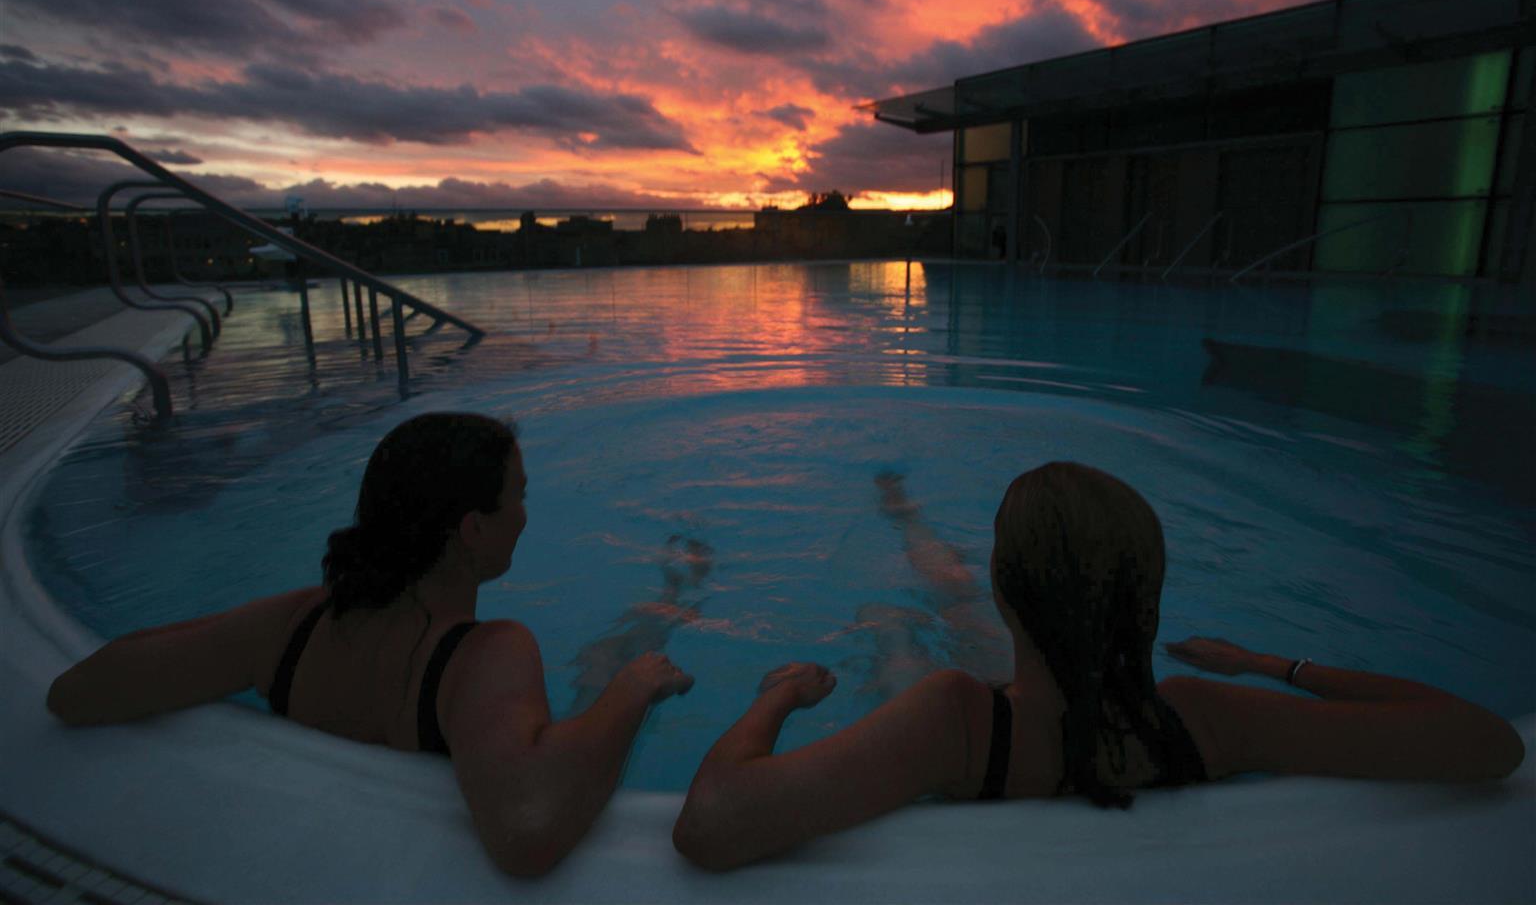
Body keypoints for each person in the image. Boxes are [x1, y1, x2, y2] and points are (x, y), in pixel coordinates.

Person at [672, 461, 1525, 871]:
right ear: (1147, 596)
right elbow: (1492, 744)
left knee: (905, 626)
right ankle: (911, 527)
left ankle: (907, 527)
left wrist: (778, 700)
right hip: (1093, 705)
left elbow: (711, 823)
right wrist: (1274, 662)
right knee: (956, 613)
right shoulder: (1205, 714)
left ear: (1014, 589)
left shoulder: (955, 718)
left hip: (1007, 725)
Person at [46, 412, 694, 878]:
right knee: (606, 679)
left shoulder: (295, 621)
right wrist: (632, 691)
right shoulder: (485, 652)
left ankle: (661, 604)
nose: (525, 513)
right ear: (472, 528)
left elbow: (77, 689)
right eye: (518, 495)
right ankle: (663, 608)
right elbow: (526, 833)